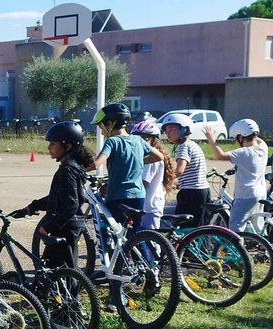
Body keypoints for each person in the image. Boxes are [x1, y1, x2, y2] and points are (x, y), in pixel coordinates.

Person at [12, 121, 93, 270]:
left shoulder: (67, 171)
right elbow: (57, 197)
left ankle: (64, 294)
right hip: (69, 226)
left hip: (64, 229)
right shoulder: (72, 167)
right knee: (61, 271)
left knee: (58, 272)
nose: (49, 147)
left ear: (67, 146)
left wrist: (49, 227)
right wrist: (32, 207)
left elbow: (70, 205)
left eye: (53, 144)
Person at [91, 102, 162, 234]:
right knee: (135, 236)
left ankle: (119, 255)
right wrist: (137, 161)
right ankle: (142, 255)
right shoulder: (138, 140)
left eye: (101, 127)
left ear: (110, 123)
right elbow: (159, 157)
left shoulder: (112, 141)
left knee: (115, 235)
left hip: (118, 196)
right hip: (139, 196)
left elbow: (96, 164)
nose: (101, 132)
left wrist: (81, 168)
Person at [204, 119, 267, 229]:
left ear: (241, 137)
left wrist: (211, 138)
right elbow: (258, 139)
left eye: (235, 138)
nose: (236, 142)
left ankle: (239, 246)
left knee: (236, 228)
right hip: (260, 193)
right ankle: (262, 245)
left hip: (245, 195)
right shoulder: (263, 148)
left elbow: (220, 155)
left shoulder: (244, 152)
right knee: (257, 227)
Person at [161, 113, 210, 226]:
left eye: (171, 129)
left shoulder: (184, 147)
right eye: (166, 131)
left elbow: (180, 170)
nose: (167, 133)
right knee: (199, 226)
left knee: (183, 226)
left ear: (184, 129)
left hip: (190, 193)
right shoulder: (193, 145)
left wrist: (166, 180)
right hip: (202, 190)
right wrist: (178, 183)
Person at [131, 120, 175, 232]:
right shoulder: (145, 155)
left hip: (149, 208)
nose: (140, 141)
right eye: (137, 138)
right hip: (146, 207)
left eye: (144, 138)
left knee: (151, 244)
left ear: (153, 139)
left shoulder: (151, 158)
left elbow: (143, 183)